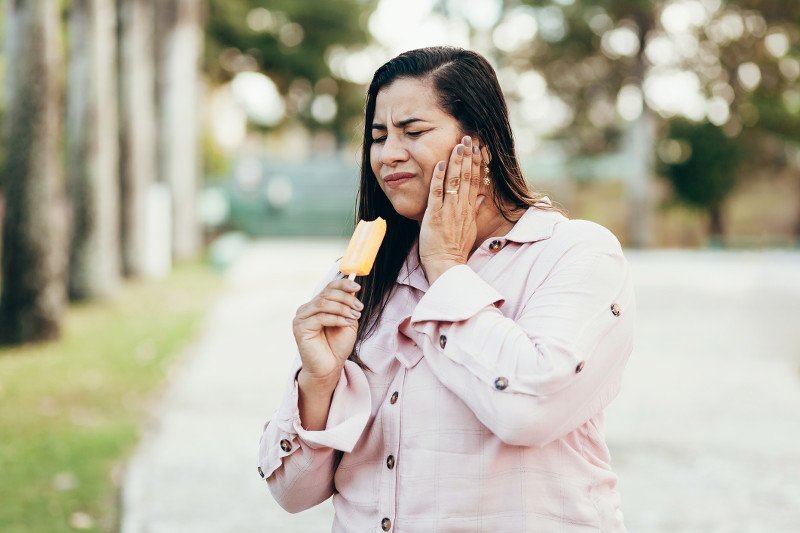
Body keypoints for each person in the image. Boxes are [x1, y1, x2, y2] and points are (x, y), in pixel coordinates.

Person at [258, 46, 635, 532]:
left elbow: (527, 411)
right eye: (378, 137)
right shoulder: (355, 279)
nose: (388, 154)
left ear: (479, 142)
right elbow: (292, 493)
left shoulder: (577, 254)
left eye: (413, 132)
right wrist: (318, 382)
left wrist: (447, 270)